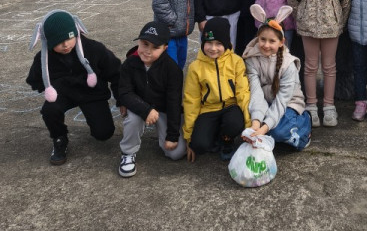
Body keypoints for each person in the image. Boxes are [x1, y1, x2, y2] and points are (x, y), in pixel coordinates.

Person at [26, 10, 121, 166]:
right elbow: (34, 78)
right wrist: (52, 87)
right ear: (48, 42)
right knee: (50, 110)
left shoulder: (93, 49)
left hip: (92, 93)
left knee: (104, 133)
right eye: (58, 41)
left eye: (69, 37)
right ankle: (59, 137)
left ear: (76, 32)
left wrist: (121, 100)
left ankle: (98, 124)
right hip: (64, 93)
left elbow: (116, 72)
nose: (65, 45)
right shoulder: (44, 58)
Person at [287, 0, 351, 128]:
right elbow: (293, 0)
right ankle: (312, 105)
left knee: (330, 67)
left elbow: (345, 0)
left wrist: (339, 21)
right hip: (308, 29)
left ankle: (329, 106)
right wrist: (303, 18)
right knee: (310, 67)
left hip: (332, 28)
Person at [117, 21, 187, 178]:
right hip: (140, 107)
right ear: (139, 42)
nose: (147, 51)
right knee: (133, 118)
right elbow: (124, 92)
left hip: (163, 109)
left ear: (165, 48)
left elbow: (174, 103)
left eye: (155, 47)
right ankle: (128, 153)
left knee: (175, 153)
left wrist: (172, 136)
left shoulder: (172, 70)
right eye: (145, 44)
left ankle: (165, 134)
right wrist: (145, 110)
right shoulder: (130, 63)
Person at [242, 5, 311, 151]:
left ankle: (305, 122)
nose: (266, 45)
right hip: (266, 102)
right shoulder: (251, 59)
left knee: (276, 132)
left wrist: (264, 128)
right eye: (262, 39)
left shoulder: (288, 65)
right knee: (244, 123)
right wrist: (256, 124)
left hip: (288, 104)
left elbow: (282, 101)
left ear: (281, 42)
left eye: (272, 41)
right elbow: (256, 93)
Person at [182, 17, 251, 162]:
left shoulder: (236, 61)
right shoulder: (195, 67)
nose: (213, 48)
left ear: (226, 44)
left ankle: (227, 141)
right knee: (199, 145)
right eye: (209, 43)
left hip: (231, 107)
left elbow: (243, 93)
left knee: (234, 124)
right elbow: (191, 100)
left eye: (219, 43)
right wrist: (189, 137)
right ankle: (214, 135)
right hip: (208, 109)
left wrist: (249, 125)